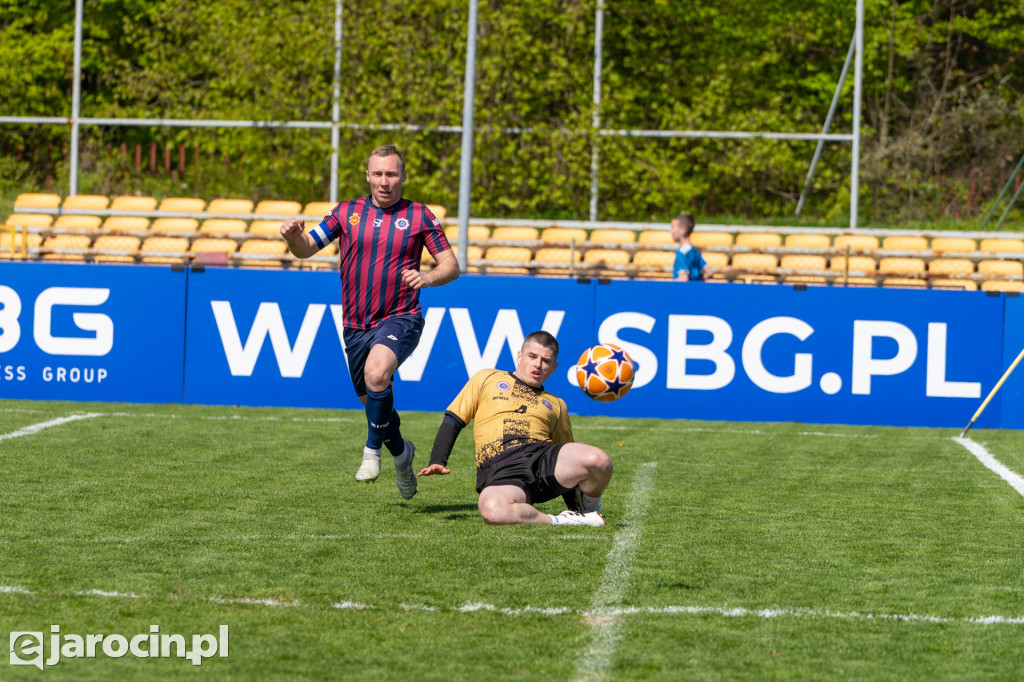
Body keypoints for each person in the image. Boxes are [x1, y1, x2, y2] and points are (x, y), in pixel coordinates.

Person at [281, 144, 460, 499]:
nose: (384, 181)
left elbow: (451, 266)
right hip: (355, 325)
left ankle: (371, 451)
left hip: (401, 316)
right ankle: (402, 454)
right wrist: (292, 238)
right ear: (367, 176)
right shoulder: (347, 212)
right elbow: (307, 248)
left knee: (378, 373)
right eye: (377, 174)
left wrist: (426, 278)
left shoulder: (420, 216)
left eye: (391, 174)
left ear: (403, 177)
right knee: (375, 400)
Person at [418, 331, 613, 527]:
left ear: (554, 368)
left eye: (546, 361)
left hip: (543, 459)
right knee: (492, 510)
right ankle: (562, 521)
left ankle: (586, 511)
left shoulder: (557, 404)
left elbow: (566, 452)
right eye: (532, 356)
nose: (538, 364)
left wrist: (574, 505)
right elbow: (454, 419)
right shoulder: (487, 378)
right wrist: (438, 460)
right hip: (503, 469)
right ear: (519, 356)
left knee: (600, 461)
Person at [670, 213, 712, 281]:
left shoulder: (681, 253)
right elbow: (709, 273)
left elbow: (683, 279)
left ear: (683, 230)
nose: (670, 231)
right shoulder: (695, 251)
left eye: (673, 227)